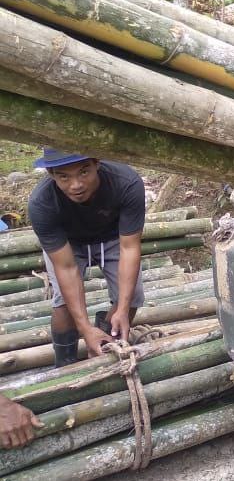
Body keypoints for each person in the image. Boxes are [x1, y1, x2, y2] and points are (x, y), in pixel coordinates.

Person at [27, 150, 147, 366]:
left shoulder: (126, 183)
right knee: (63, 303)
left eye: (84, 172)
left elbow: (129, 248)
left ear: (97, 163)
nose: (76, 185)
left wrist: (122, 308)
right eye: (64, 176)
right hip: (68, 243)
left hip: (113, 237)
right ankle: (66, 365)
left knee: (132, 298)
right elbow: (66, 268)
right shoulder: (42, 203)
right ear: (51, 174)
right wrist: (84, 328)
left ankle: (104, 347)